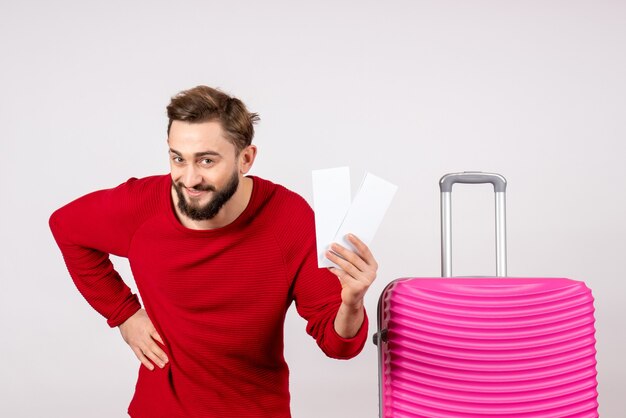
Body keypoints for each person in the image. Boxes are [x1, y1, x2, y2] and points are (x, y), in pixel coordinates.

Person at [49, 85, 378, 417]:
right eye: (178, 158)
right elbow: (65, 226)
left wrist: (352, 301)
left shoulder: (289, 219)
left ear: (245, 158)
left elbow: (339, 346)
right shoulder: (142, 206)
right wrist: (123, 313)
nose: (189, 178)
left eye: (206, 160)